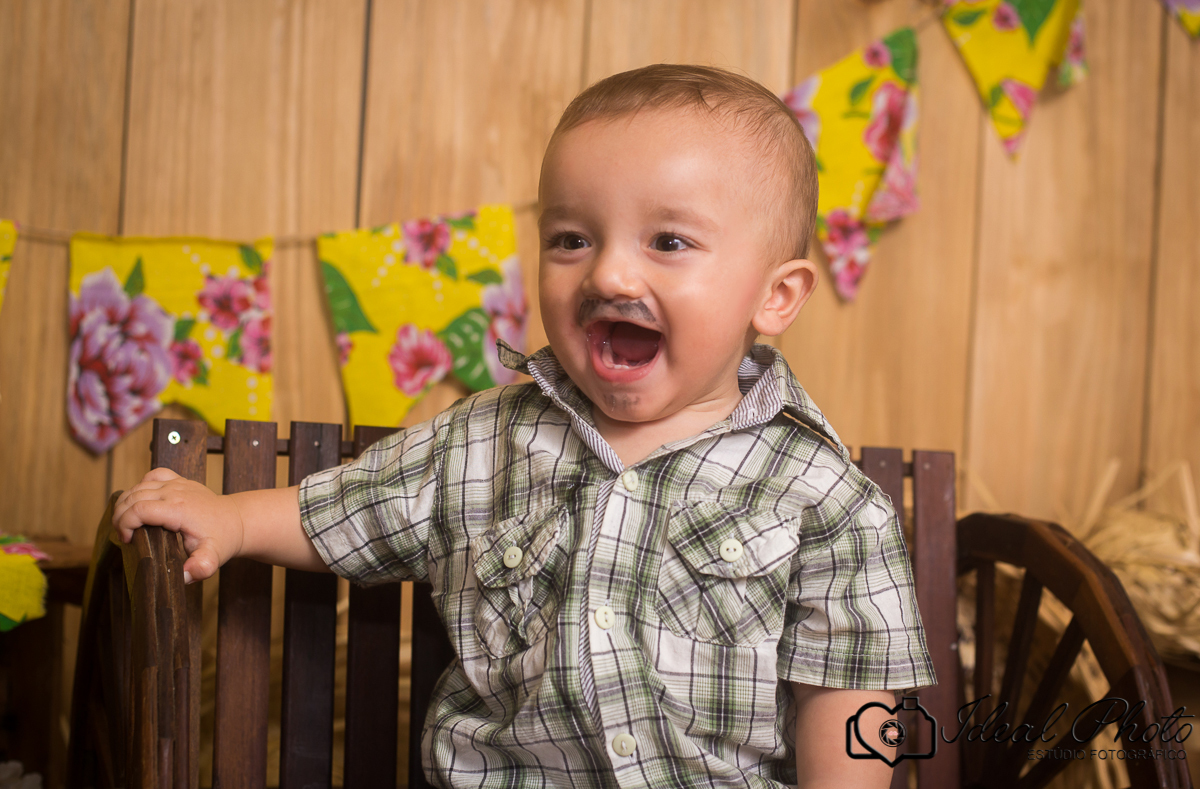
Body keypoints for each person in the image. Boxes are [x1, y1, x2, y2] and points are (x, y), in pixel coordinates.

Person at [114, 64, 935, 788]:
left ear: (776, 296)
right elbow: (345, 509)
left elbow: (851, 687)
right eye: (572, 238)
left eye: (669, 241)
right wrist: (230, 517)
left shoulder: (823, 496)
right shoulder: (484, 441)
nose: (610, 271)